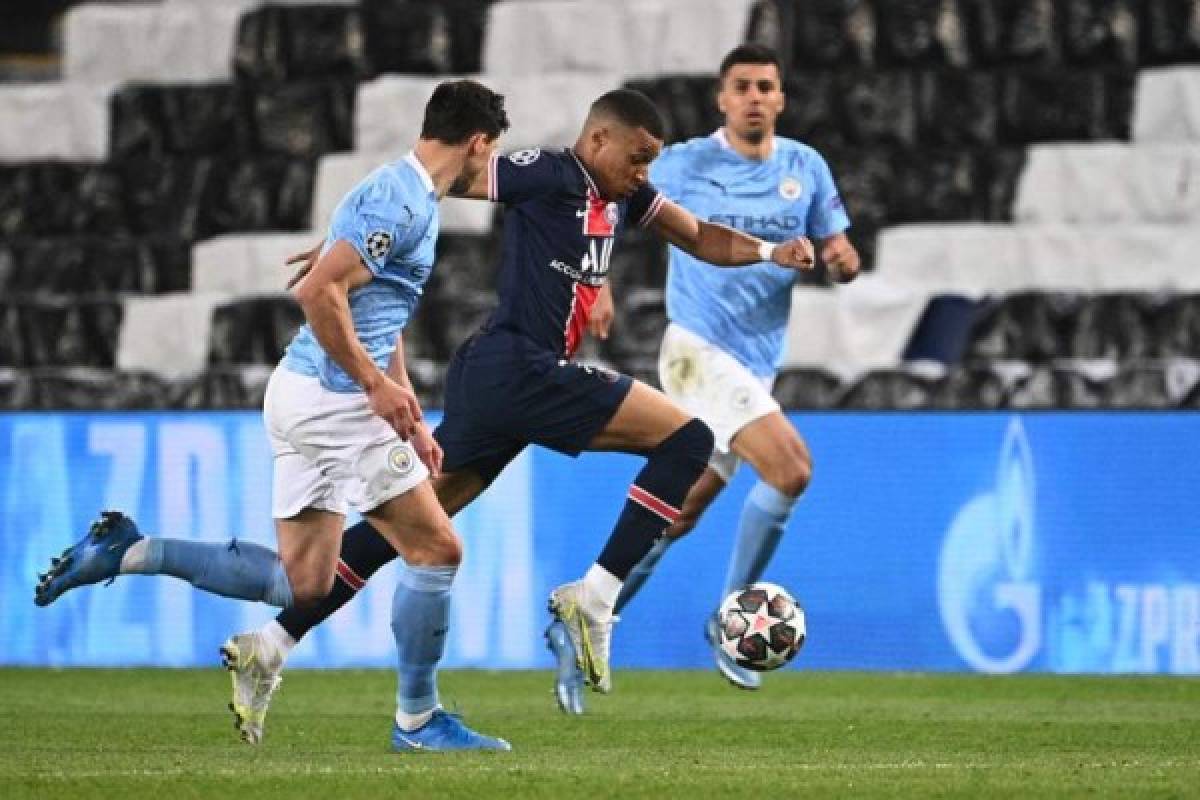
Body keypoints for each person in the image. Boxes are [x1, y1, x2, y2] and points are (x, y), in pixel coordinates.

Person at [218, 86, 818, 736]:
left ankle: (270, 646)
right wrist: (350, 246)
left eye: (651, 163)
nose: (643, 174)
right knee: (687, 440)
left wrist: (769, 252)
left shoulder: (628, 196)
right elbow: (454, 173)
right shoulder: (549, 173)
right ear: (598, 142)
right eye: (637, 159)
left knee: (409, 531)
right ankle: (595, 597)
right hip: (517, 366)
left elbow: (700, 235)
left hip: (499, 381)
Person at [34, 80, 515, 751]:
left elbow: (378, 307)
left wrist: (401, 406)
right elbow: (317, 291)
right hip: (332, 401)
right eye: (487, 154)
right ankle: (418, 720)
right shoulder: (401, 199)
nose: (483, 168)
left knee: (304, 583)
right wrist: (375, 386)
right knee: (437, 549)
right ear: (477, 142)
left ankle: (131, 550)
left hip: (306, 395)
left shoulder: (402, 198)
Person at [551, 43, 861, 709]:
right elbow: (604, 202)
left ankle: (583, 624)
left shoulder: (805, 168)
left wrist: (838, 257)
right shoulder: (687, 161)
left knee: (677, 515)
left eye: (766, 86)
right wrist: (594, 280)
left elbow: (836, 241)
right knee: (791, 468)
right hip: (695, 351)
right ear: (723, 98)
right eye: (742, 86)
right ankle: (733, 624)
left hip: (753, 366)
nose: (754, 96)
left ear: (780, 98)